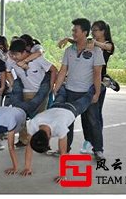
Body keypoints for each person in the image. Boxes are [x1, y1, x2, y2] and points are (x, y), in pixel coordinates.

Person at [58, 20, 116, 154]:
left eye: (96, 30)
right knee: (83, 118)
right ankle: (86, 143)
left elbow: (104, 48)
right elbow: (80, 42)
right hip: (79, 84)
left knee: (95, 117)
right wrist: (69, 39)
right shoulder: (82, 46)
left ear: (103, 31)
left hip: (97, 83)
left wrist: (92, 43)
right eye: (93, 30)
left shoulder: (106, 45)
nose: (93, 32)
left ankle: (97, 147)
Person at [52, 18, 104, 159]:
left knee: (93, 122)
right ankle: (64, 150)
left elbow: (97, 73)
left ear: (85, 32)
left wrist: (97, 93)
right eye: (72, 30)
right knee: (67, 122)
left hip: (87, 93)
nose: (73, 33)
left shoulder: (96, 51)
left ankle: (98, 149)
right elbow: (63, 70)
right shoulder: (69, 50)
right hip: (69, 91)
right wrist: (57, 87)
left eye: (76, 30)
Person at [23, 85, 97, 178]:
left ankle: (101, 84)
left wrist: (63, 175)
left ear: (49, 138)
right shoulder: (33, 123)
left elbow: (63, 153)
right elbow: (30, 146)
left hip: (72, 108)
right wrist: (27, 167)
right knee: (61, 92)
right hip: (55, 106)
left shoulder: (59, 127)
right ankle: (64, 83)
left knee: (88, 97)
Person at [6, 38, 57, 146]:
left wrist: (51, 87)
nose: (14, 57)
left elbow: (53, 69)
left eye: (16, 54)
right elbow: (7, 71)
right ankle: (23, 139)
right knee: (21, 115)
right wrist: (13, 84)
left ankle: (43, 142)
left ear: (24, 52)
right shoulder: (11, 60)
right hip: (23, 92)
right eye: (12, 54)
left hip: (40, 92)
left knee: (41, 118)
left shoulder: (38, 59)